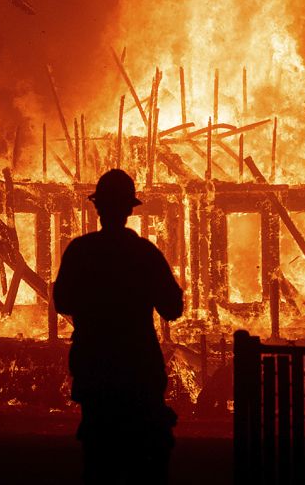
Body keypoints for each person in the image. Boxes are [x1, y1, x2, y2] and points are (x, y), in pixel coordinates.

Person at [52, 169, 184, 484]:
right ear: (129, 209)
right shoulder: (145, 254)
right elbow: (173, 308)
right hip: (139, 373)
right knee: (146, 463)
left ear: (97, 208)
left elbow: (63, 303)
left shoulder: (80, 252)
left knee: (100, 462)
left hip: (95, 373)